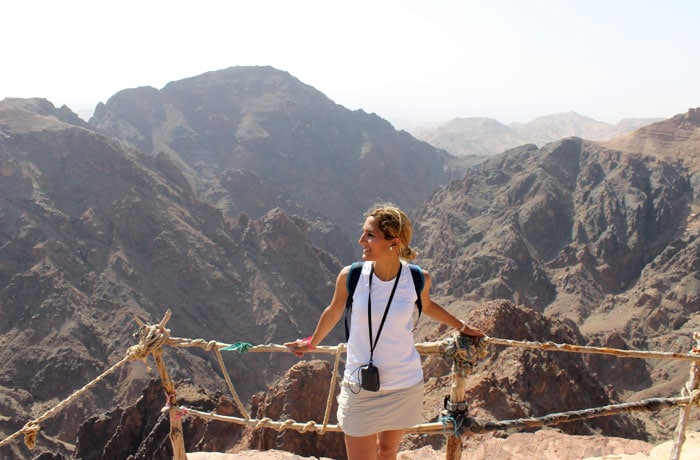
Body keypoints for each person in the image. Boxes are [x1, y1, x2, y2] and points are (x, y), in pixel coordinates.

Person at [285, 204, 484, 460]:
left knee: (388, 453)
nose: (361, 240)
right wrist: (311, 342)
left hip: (404, 384)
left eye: (370, 235)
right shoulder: (351, 276)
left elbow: (428, 305)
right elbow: (333, 311)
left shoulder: (417, 278)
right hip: (360, 387)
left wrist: (462, 326)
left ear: (393, 242)